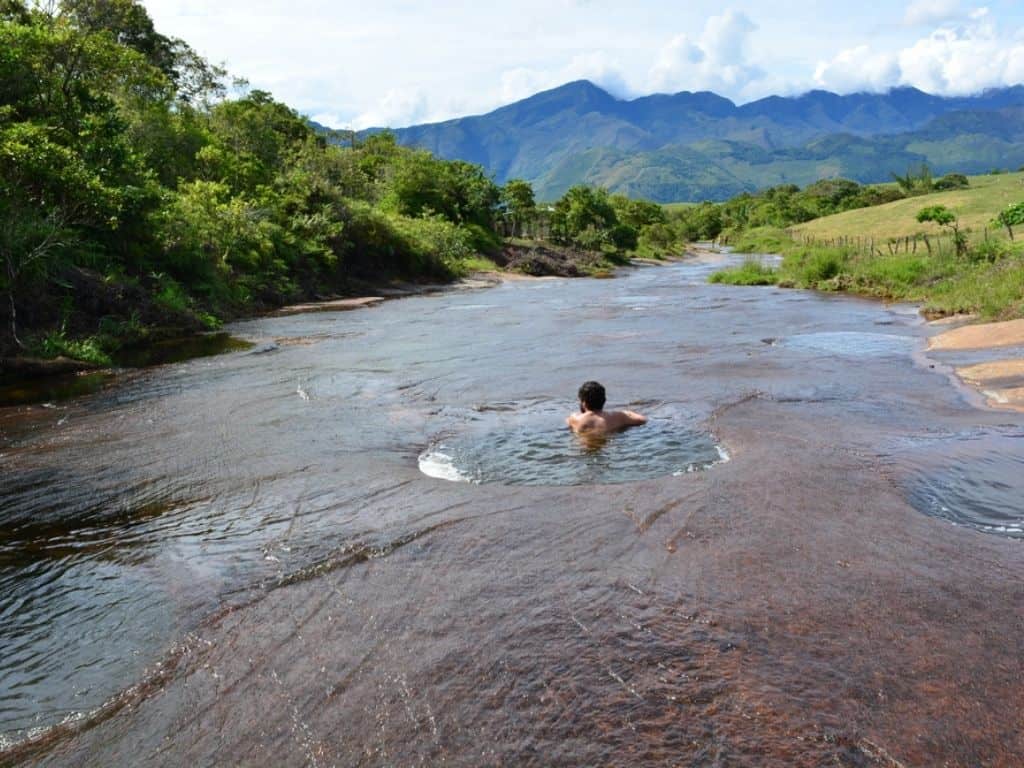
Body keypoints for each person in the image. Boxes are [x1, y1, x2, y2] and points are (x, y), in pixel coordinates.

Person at [566, 381, 647, 435]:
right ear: (604, 400)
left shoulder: (574, 418)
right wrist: (628, 413)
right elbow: (643, 420)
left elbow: (569, 424)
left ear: (584, 403)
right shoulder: (618, 416)